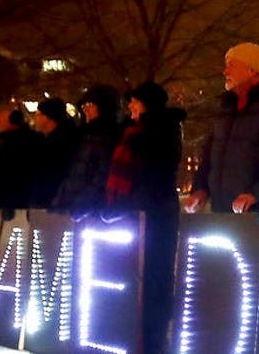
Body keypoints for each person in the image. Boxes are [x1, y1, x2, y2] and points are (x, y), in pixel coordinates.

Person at [104, 81, 185, 354]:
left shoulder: (163, 129)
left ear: (146, 103)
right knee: (133, 277)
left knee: (154, 278)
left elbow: (160, 167)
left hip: (156, 214)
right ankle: (134, 335)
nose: (130, 106)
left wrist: (141, 136)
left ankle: (153, 341)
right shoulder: (132, 131)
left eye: (134, 101)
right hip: (137, 213)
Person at [184, 42, 259, 216]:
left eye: (231, 65)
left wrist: (257, 194)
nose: (225, 72)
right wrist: (200, 189)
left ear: (252, 70)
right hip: (223, 214)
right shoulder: (225, 110)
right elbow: (209, 157)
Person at [54, 84, 125, 215]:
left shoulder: (108, 137)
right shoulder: (82, 136)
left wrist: (82, 205)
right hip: (73, 207)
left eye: (91, 104)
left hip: (90, 211)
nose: (85, 108)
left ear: (104, 107)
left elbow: (102, 175)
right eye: (84, 104)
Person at [29, 98, 79, 208]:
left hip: (52, 203)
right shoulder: (51, 140)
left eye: (37, 114)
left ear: (46, 117)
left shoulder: (60, 143)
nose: (35, 119)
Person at [0, 105, 42, 209]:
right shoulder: (7, 141)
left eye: (1, 117)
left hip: (16, 202)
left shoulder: (18, 143)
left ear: (13, 120)